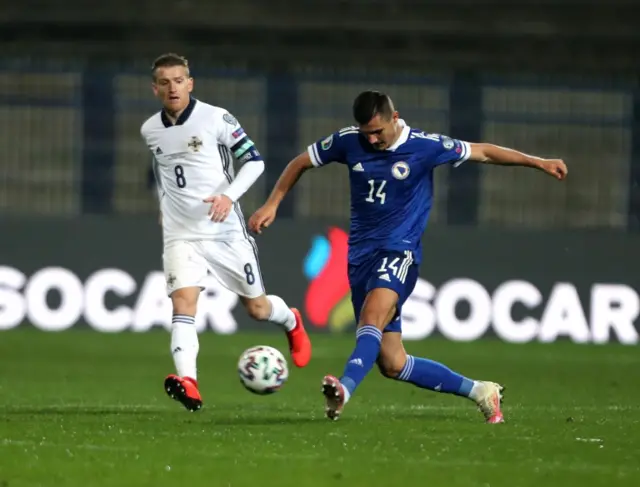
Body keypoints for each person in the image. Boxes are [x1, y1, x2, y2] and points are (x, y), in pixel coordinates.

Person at [249, 90, 567, 423]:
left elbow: (484, 152)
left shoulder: (425, 146)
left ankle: (342, 390)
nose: (372, 140)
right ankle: (480, 391)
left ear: (395, 117)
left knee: (371, 319)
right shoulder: (347, 141)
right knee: (392, 362)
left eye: (378, 132)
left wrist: (538, 162)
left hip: (399, 252)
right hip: (360, 257)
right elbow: (301, 162)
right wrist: (272, 203)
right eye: (365, 133)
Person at [140, 53, 312, 412]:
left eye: (179, 80)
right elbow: (165, 171)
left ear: (191, 83)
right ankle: (189, 381)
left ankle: (291, 319)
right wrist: (163, 205)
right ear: (155, 89)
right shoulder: (150, 130)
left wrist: (228, 196)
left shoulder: (216, 118)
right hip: (180, 233)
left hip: (223, 232)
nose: (173, 87)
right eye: (165, 82)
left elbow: (255, 161)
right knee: (183, 304)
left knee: (258, 309)